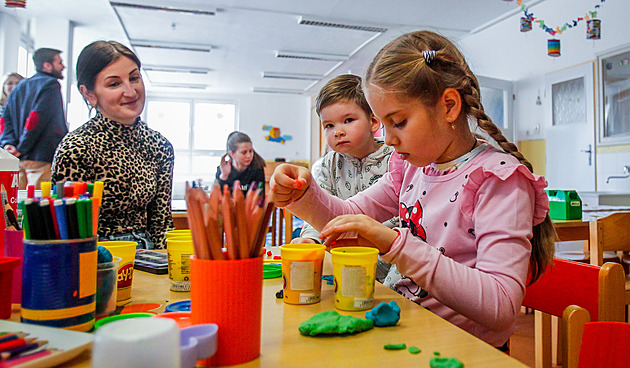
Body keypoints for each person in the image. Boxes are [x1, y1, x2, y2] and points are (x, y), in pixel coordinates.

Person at [269, 30, 556, 350]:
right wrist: (302, 194)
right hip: (409, 329)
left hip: (462, 350)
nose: (388, 140)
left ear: (449, 106)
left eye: (399, 122)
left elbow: (501, 307)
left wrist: (393, 244)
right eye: (384, 124)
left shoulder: (497, 180)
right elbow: (348, 215)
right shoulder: (411, 168)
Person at [51, 40, 175, 249]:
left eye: (134, 78)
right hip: (97, 258)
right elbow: (67, 233)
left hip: (148, 256)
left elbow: (161, 223)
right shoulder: (76, 148)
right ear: (89, 94)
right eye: (114, 84)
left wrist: (168, 269)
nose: (131, 92)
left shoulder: (159, 145)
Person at [291, 74, 397, 281]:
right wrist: (310, 241)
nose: (338, 132)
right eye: (329, 125)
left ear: (374, 122)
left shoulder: (396, 158)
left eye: (348, 120)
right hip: (344, 267)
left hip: (393, 268)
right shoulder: (326, 166)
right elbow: (317, 210)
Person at [0, 49, 68, 189]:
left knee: (17, 204)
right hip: (40, 157)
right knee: (36, 205)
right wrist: (22, 147)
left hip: (18, 159)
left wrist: (9, 144)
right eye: (59, 62)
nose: (63, 66)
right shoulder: (51, 84)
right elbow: (37, 118)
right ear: (47, 65)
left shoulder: (20, 86)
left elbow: (6, 119)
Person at [215, 131, 266, 197]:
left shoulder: (257, 169)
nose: (249, 155)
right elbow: (218, 198)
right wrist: (224, 176)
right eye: (244, 152)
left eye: (250, 151)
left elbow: (260, 197)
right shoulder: (222, 170)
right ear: (232, 154)